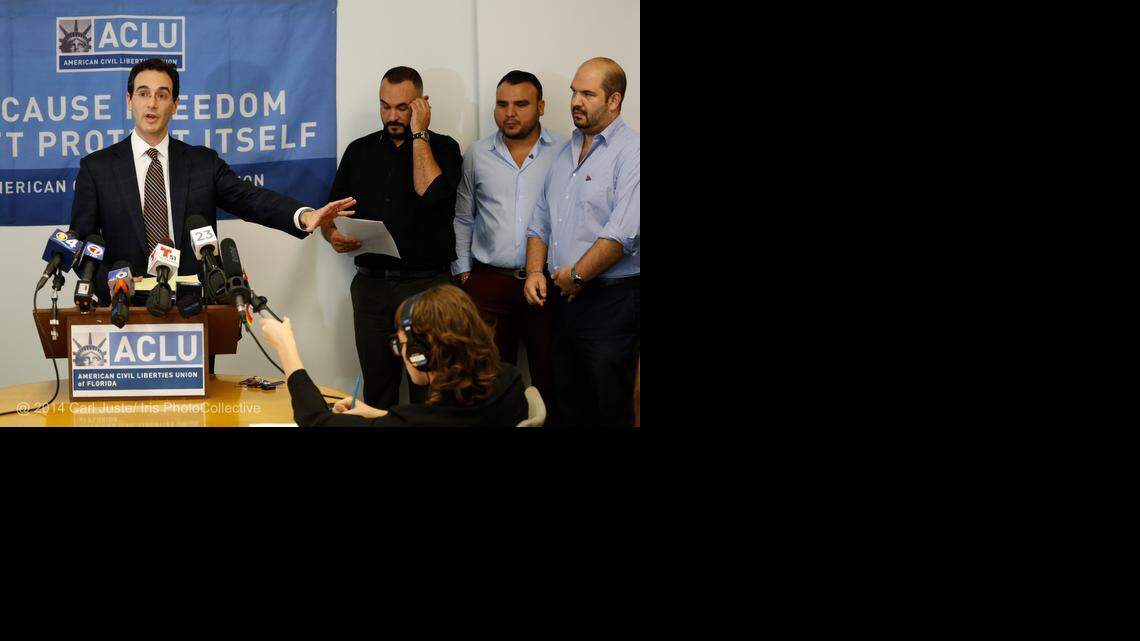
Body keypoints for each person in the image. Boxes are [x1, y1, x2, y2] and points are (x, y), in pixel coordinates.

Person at [69, 58, 355, 308]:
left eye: (162, 95)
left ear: (175, 105)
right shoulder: (97, 168)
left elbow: (249, 199)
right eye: (143, 93)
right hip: (124, 306)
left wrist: (303, 215)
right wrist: (109, 282)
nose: (152, 103)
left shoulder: (202, 163)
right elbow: (81, 242)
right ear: (129, 100)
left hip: (192, 304)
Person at [322, 66, 463, 410]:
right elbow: (331, 212)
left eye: (402, 107)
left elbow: (429, 192)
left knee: (429, 388)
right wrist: (333, 235)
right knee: (378, 387)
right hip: (371, 290)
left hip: (426, 287)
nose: (392, 115)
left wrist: (419, 135)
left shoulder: (444, 148)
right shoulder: (359, 151)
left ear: (421, 105)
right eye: (385, 106)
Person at [524, 57, 640, 426]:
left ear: (614, 100)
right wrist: (532, 272)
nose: (575, 100)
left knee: (608, 407)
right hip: (565, 300)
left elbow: (621, 234)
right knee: (568, 402)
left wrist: (577, 276)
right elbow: (540, 219)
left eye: (587, 93)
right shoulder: (564, 151)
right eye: (574, 91)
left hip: (612, 302)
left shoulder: (632, 154)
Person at [452, 70, 563, 420]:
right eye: (502, 104)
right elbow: (463, 216)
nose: (509, 113)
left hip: (546, 283)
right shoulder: (477, 154)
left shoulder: (564, 151)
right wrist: (465, 273)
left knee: (551, 376)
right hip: (488, 284)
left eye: (520, 104)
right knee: (490, 382)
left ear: (541, 107)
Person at [260, 284, 528, 427]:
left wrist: (286, 348)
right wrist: (376, 414)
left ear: (420, 354)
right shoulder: (509, 381)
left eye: (401, 344)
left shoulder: (421, 422)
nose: (400, 353)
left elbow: (315, 420)